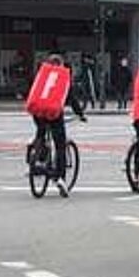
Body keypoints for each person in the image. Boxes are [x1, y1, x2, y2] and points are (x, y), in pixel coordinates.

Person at [25, 52, 86, 197]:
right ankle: (60, 178)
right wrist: (80, 114)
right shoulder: (62, 77)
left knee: (41, 131)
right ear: (61, 65)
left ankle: (37, 158)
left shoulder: (42, 75)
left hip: (37, 111)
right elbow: (71, 98)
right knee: (60, 145)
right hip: (53, 113)